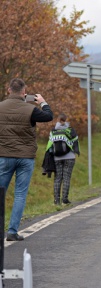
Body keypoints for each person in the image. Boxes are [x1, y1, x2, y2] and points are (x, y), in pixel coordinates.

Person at [0, 78, 53, 241]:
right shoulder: (31, 109)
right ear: (24, 92)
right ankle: (12, 231)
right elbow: (48, 117)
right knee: (20, 194)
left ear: (9, 90)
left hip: (4, 156)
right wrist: (43, 102)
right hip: (25, 157)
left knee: (1, 192)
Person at [47, 113, 80, 205]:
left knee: (57, 178)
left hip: (57, 158)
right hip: (69, 157)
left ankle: (56, 200)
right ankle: (65, 199)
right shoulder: (71, 130)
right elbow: (76, 143)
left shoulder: (53, 131)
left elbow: (50, 145)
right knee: (66, 178)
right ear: (66, 120)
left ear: (58, 120)